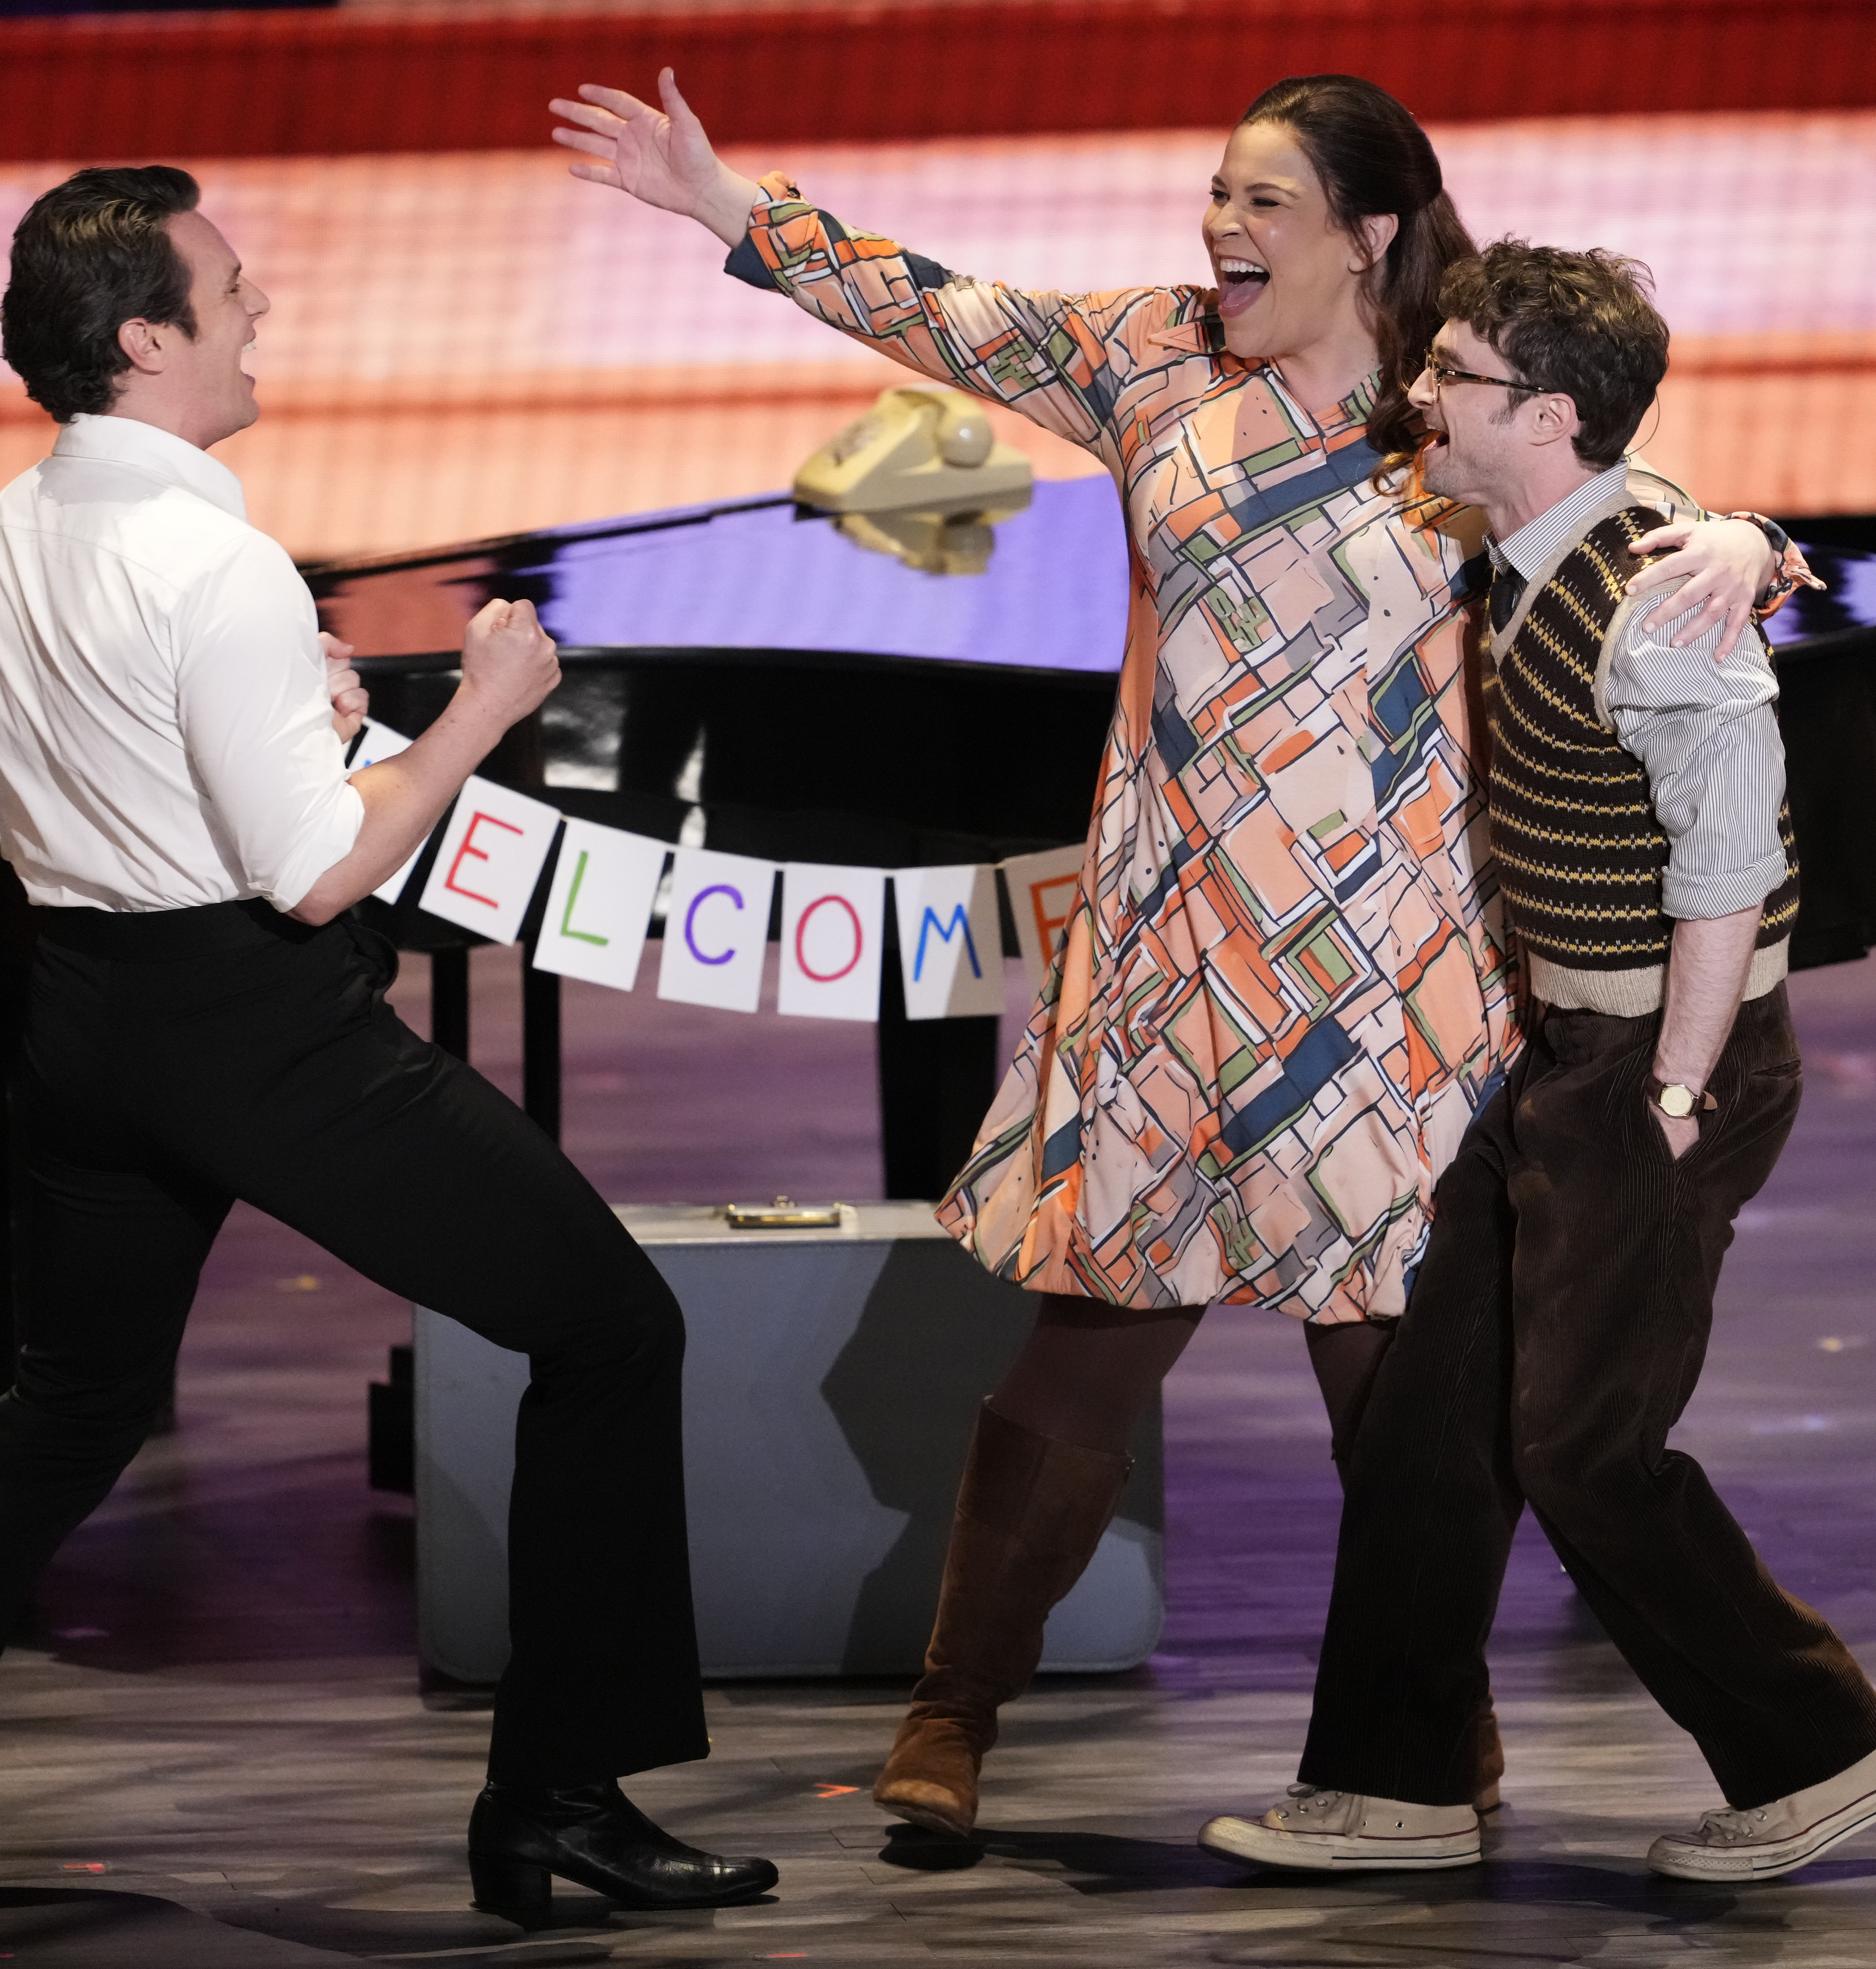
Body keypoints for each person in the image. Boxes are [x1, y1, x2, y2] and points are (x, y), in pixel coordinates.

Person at [551, 73, 1806, 1840]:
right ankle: (952, 1713)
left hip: (1396, 983)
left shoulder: (1446, 401)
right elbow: (942, 310)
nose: (1220, 229)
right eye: (1215, 193)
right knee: (1083, 1347)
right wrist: (723, 205)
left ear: (1370, 234)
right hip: (1169, 963)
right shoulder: (1153, 359)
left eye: (1264, 203)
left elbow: (1622, 507)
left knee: (1405, 1394)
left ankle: (1413, 1742)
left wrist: (1756, 542)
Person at [0, 166, 775, 1927]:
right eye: (232, 292)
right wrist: (476, 706)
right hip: (259, 1031)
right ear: (147, 338)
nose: (261, 312)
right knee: (611, 1329)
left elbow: (75, 789)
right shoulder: (212, 557)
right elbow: (317, 876)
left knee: (64, 1413)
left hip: (79, 1018)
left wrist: (303, 720)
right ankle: (553, 1796)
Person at [1198, 241, 1876, 1881]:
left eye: (1449, 373)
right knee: (1433, 1421)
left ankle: (1817, 1750)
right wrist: (1762, 540)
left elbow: (1727, 867)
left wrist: (1668, 1090)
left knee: (1584, 1445)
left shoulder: (1653, 602)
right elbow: (1692, 510)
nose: (1418, 397)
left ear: (1543, 415)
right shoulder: (1577, 525)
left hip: (1658, 1068)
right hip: (1572, 1054)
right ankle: (1399, 1783)